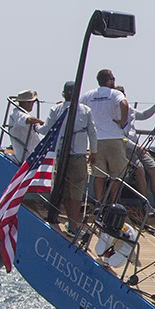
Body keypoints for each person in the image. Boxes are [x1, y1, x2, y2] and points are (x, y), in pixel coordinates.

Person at [40, 81, 96, 232]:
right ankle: (73, 225)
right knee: (76, 192)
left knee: (64, 190)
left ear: (63, 94)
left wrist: (35, 127)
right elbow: (92, 133)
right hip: (79, 157)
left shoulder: (56, 109)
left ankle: (63, 222)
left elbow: (46, 130)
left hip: (61, 156)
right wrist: (94, 152)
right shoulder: (85, 110)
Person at [82, 69, 130, 205]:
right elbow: (124, 104)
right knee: (117, 175)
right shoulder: (115, 93)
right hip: (114, 138)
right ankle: (114, 203)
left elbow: (78, 107)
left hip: (96, 141)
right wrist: (122, 121)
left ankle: (98, 203)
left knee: (98, 175)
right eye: (113, 79)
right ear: (109, 81)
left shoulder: (88, 95)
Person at [6, 89, 43, 164]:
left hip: (34, 152)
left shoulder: (21, 113)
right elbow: (28, 119)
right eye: (32, 102)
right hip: (27, 156)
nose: (33, 104)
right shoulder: (17, 113)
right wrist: (42, 123)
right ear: (26, 103)